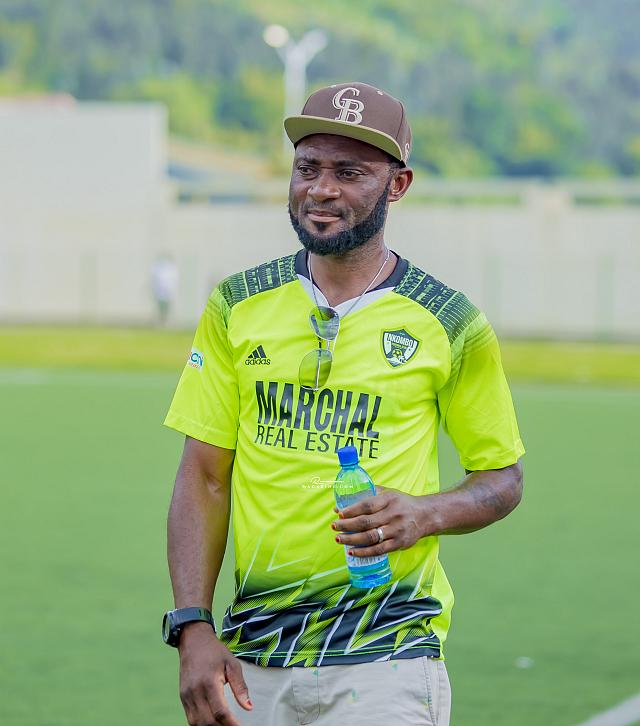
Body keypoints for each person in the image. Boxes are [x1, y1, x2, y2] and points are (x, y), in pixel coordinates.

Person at [162, 82, 525, 726]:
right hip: (252, 659)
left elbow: (502, 478)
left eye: (349, 173)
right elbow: (205, 476)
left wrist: (426, 513)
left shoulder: (450, 322)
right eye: (308, 168)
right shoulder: (236, 305)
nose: (321, 190)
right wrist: (193, 625)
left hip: (388, 654)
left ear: (398, 185)